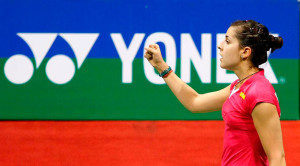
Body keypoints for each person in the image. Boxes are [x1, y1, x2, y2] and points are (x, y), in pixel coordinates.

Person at [144, 20, 286, 166]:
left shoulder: (259, 93)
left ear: (245, 52)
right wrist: (161, 67)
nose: (220, 45)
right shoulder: (239, 87)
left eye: (227, 41)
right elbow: (195, 102)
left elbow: (277, 158)